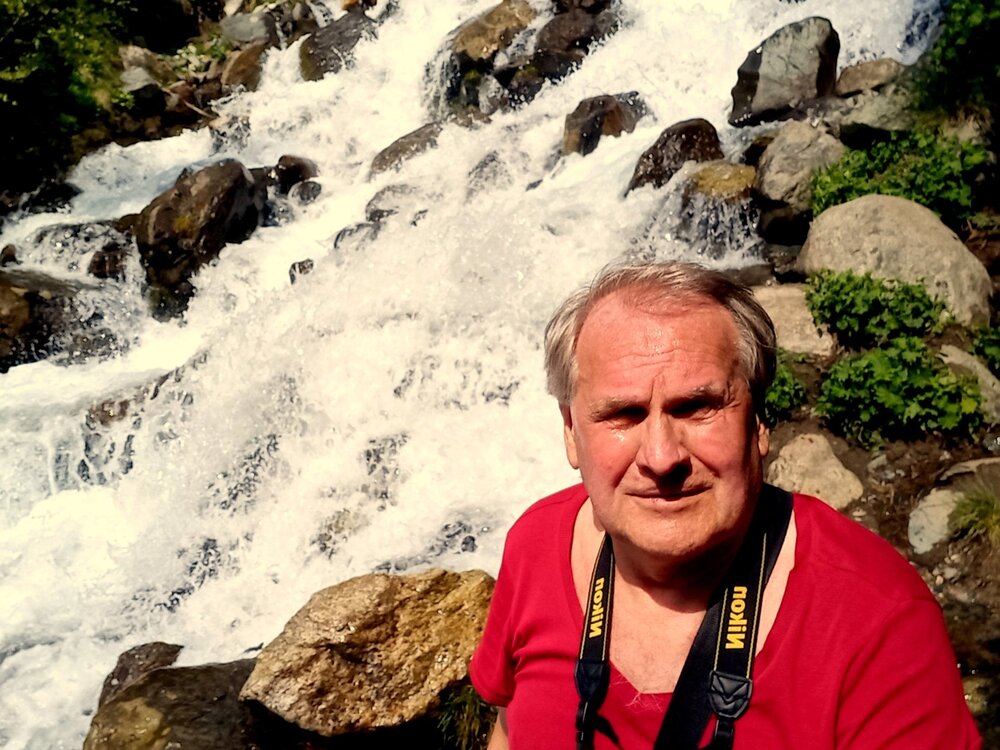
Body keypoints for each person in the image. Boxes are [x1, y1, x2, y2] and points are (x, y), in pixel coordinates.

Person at [469, 261, 982, 749]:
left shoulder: (878, 624)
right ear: (570, 432)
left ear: (758, 422)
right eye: (623, 414)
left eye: (697, 407)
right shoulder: (536, 545)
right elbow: (510, 730)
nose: (662, 457)